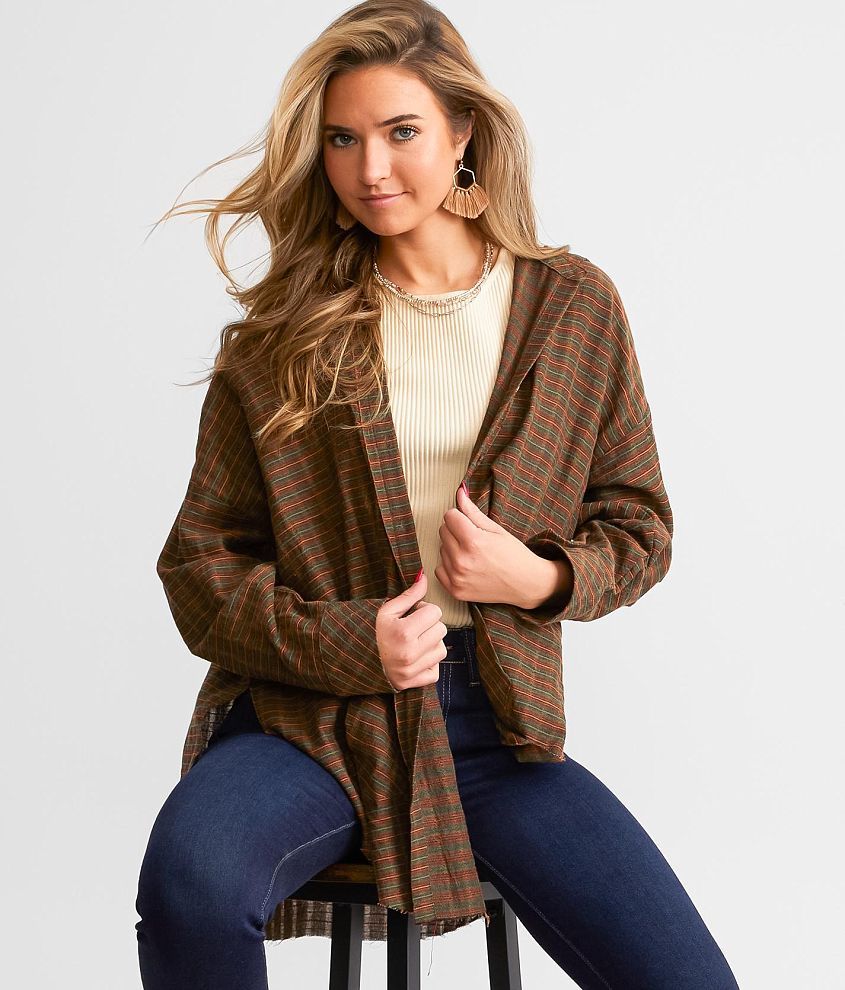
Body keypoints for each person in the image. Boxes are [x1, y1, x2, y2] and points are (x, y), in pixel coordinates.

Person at [134, 2, 740, 987]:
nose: (370, 167)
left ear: (461, 132)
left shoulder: (570, 307)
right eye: (342, 139)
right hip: (305, 723)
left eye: (400, 131)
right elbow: (198, 566)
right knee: (188, 885)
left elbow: (638, 523)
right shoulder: (281, 338)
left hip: (493, 727)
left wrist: (538, 577)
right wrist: (350, 640)